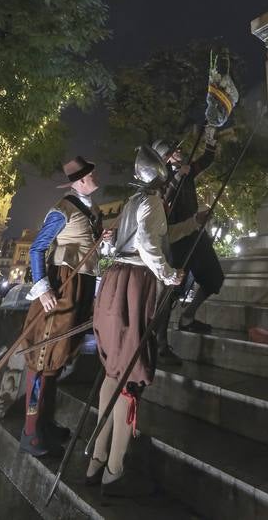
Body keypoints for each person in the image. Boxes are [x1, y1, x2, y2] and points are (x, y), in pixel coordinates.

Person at [86, 145, 184, 488]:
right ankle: (115, 468)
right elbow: (146, 243)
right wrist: (169, 274)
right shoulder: (153, 202)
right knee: (130, 375)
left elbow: (115, 246)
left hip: (114, 281)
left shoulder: (130, 202)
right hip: (136, 285)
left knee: (113, 370)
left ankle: (96, 459)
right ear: (160, 178)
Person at [19, 155, 102, 456]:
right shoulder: (63, 209)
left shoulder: (92, 211)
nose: (96, 177)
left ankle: (46, 423)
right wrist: (42, 289)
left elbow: (86, 246)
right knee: (44, 359)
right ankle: (31, 431)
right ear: (81, 180)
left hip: (82, 283)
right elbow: (38, 247)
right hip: (63, 284)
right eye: (92, 174)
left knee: (57, 361)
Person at [154, 126, 224, 335]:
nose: (179, 152)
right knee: (171, 290)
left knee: (214, 277)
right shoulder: (158, 180)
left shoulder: (186, 171)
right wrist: (176, 178)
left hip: (195, 233)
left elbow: (206, 160)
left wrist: (210, 141)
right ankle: (161, 341)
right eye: (173, 151)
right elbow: (163, 203)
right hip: (175, 239)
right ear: (165, 158)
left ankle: (188, 316)